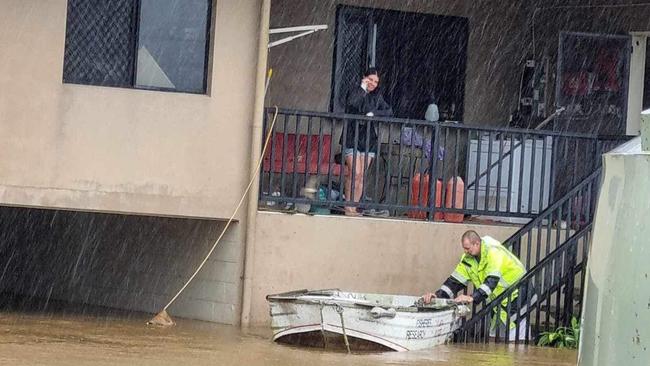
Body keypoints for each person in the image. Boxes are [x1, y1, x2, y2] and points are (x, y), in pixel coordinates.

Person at [421, 230, 530, 340]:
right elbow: (454, 282)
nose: (465, 251)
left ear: (477, 244)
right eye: (464, 248)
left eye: (467, 248)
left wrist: (472, 297)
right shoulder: (468, 259)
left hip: (519, 294)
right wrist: (437, 295)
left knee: (516, 338)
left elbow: (491, 281)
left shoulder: (493, 252)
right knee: (498, 341)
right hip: (501, 301)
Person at [341, 68, 393, 216]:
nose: (373, 84)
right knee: (354, 173)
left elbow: (389, 111)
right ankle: (347, 207)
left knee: (361, 175)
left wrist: (373, 113)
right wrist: (363, 89)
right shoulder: (354, 91)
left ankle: (354, 207)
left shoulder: (377, 96)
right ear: (364, 78)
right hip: (352, 136)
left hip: (369, 139)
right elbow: (354, 103)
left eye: (376, 82)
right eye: (370, 80)